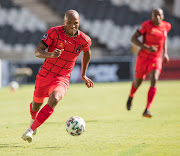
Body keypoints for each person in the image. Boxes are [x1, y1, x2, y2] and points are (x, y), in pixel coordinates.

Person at [21, 10, 94, 143]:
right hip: (44, 75)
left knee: (54, 99)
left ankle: (30, 130)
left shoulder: (84, 39)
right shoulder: (54, 32)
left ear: (79, 23)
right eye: (69, 23)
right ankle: (33, 118)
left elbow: (87, 53)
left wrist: (83, 74)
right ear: (64, 22)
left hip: (62, 78)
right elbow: (37, 52)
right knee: (35, 105)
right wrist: (50, 55)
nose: (73, 26)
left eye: (76, 23)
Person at [126, 8, 171, 118]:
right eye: (155, 15)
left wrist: (165, 53)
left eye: (159, 15)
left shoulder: (167, 26)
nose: (157, 17)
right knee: (138, 81)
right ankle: (131, 96)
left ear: (163, 16)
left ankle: (147, 109)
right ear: (151, 16)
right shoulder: (146, 25)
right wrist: (146, 47)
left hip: (156, 57)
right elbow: (133, 38)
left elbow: (164, 39)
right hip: (143, 57)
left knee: (154, 78)